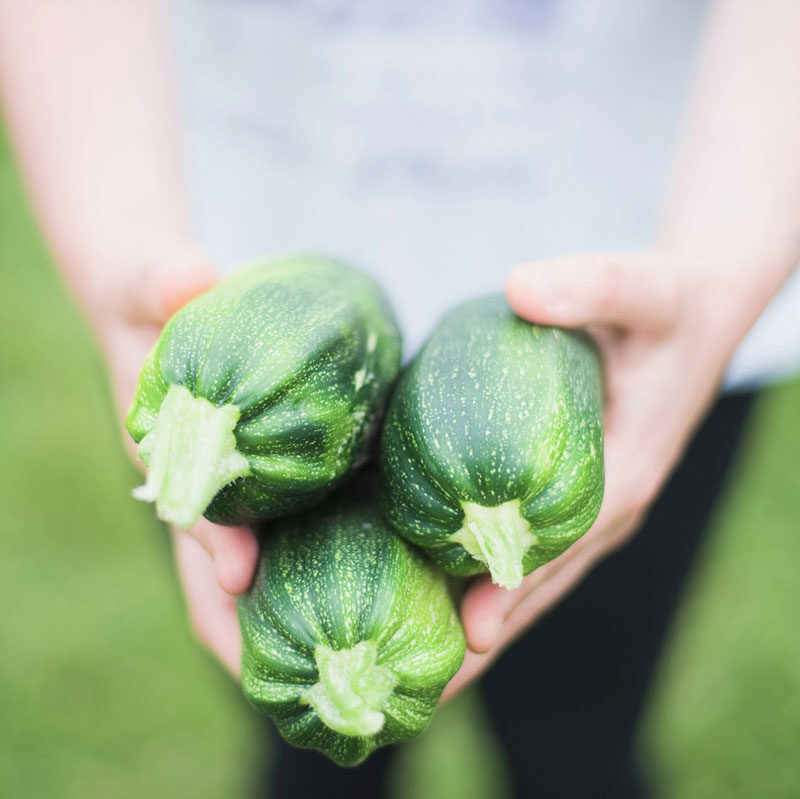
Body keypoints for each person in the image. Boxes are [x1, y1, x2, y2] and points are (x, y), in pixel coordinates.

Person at [1, 1, 799, 796]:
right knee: (315, 758)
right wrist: (120, 247)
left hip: (652, 281)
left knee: (578, 731)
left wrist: (722, 266)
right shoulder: (213, 380)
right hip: (246, 285)